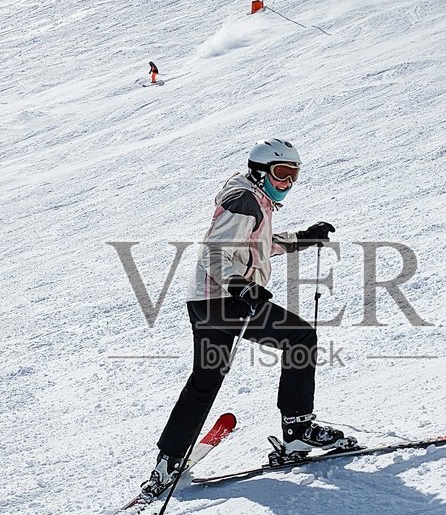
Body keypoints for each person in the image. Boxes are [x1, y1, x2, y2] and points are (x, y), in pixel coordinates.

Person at [141, 139, 345, 496]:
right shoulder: (245, 201)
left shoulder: (252, 198)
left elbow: (258, 246)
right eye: (281, 174)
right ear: (260, 170)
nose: (287, 183)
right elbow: (215, 253)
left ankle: (168, 460)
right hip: (227, 300)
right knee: (300, 339)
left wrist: (304, 238)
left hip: (206, 302)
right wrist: (238, 285)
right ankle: (297, 430)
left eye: (293, 175)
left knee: (205, 379)